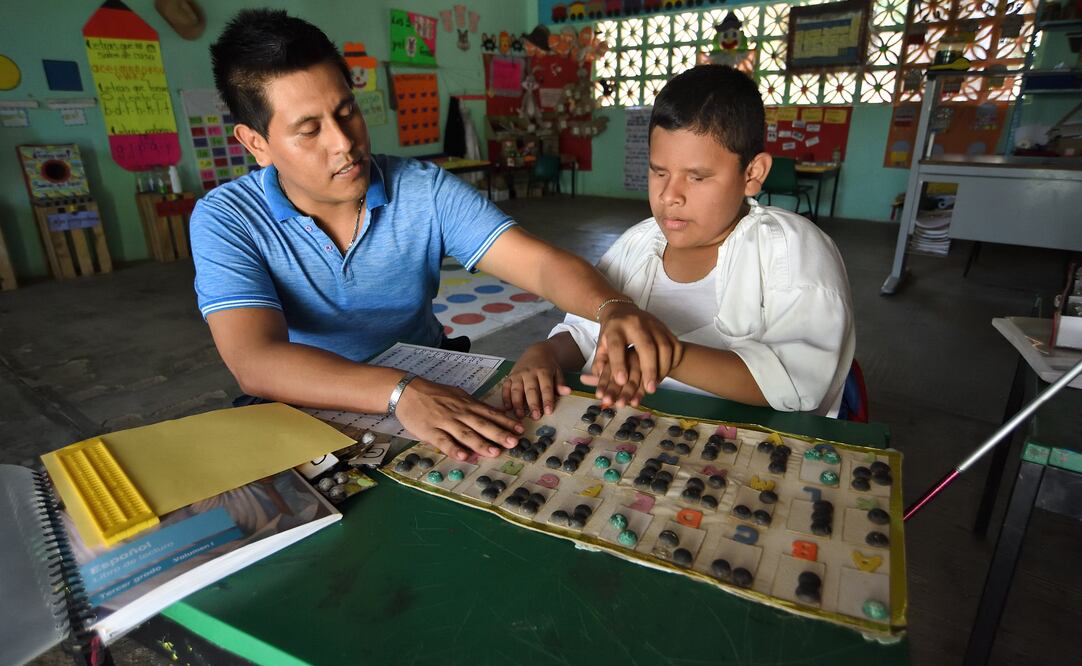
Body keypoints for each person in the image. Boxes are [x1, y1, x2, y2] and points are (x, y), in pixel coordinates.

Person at [190, 9, 680, 463]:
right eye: (309, 130)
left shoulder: (422, 190)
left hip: (431, 375)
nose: (343, 143)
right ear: (257, 143)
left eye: (345, 112)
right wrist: (400, 392)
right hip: (312, 395)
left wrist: (610, 307)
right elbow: (257, 361)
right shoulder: (227, 219)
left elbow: (540, 264)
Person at [504, 65, 855, 418]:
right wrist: (546, 353)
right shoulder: (636, 245)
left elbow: (798, 382)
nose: (670, 195)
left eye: (697, 177)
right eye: (658, 172)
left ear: (752, 174)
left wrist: (664, 357)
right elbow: (586, 333)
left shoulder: (793, 252)